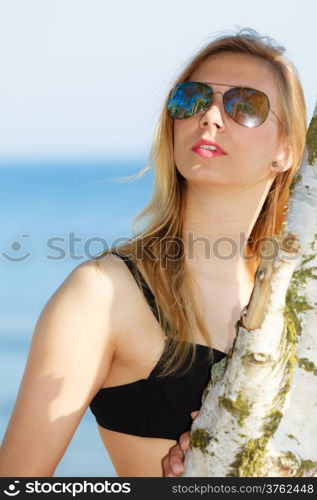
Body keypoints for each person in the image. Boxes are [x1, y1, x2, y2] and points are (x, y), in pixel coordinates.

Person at [0, 27, 307, 477]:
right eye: (193, 99)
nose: (211, 117)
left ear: (286, 150)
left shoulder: (297, 304)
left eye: (245, 105)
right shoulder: (103, 295)